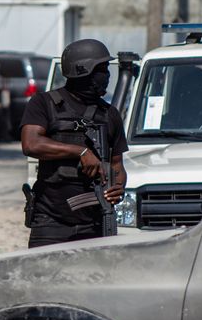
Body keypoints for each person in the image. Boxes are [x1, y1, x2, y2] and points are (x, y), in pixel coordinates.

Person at [20, 39, 128, 248]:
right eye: (102, 70)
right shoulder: (44, 103)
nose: (107, 76)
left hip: (96, 221)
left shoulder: (109, 114)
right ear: (83, 70)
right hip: (51, 221)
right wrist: (81, 152)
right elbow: (31, 144)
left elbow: (117, 165)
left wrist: (118, 187)